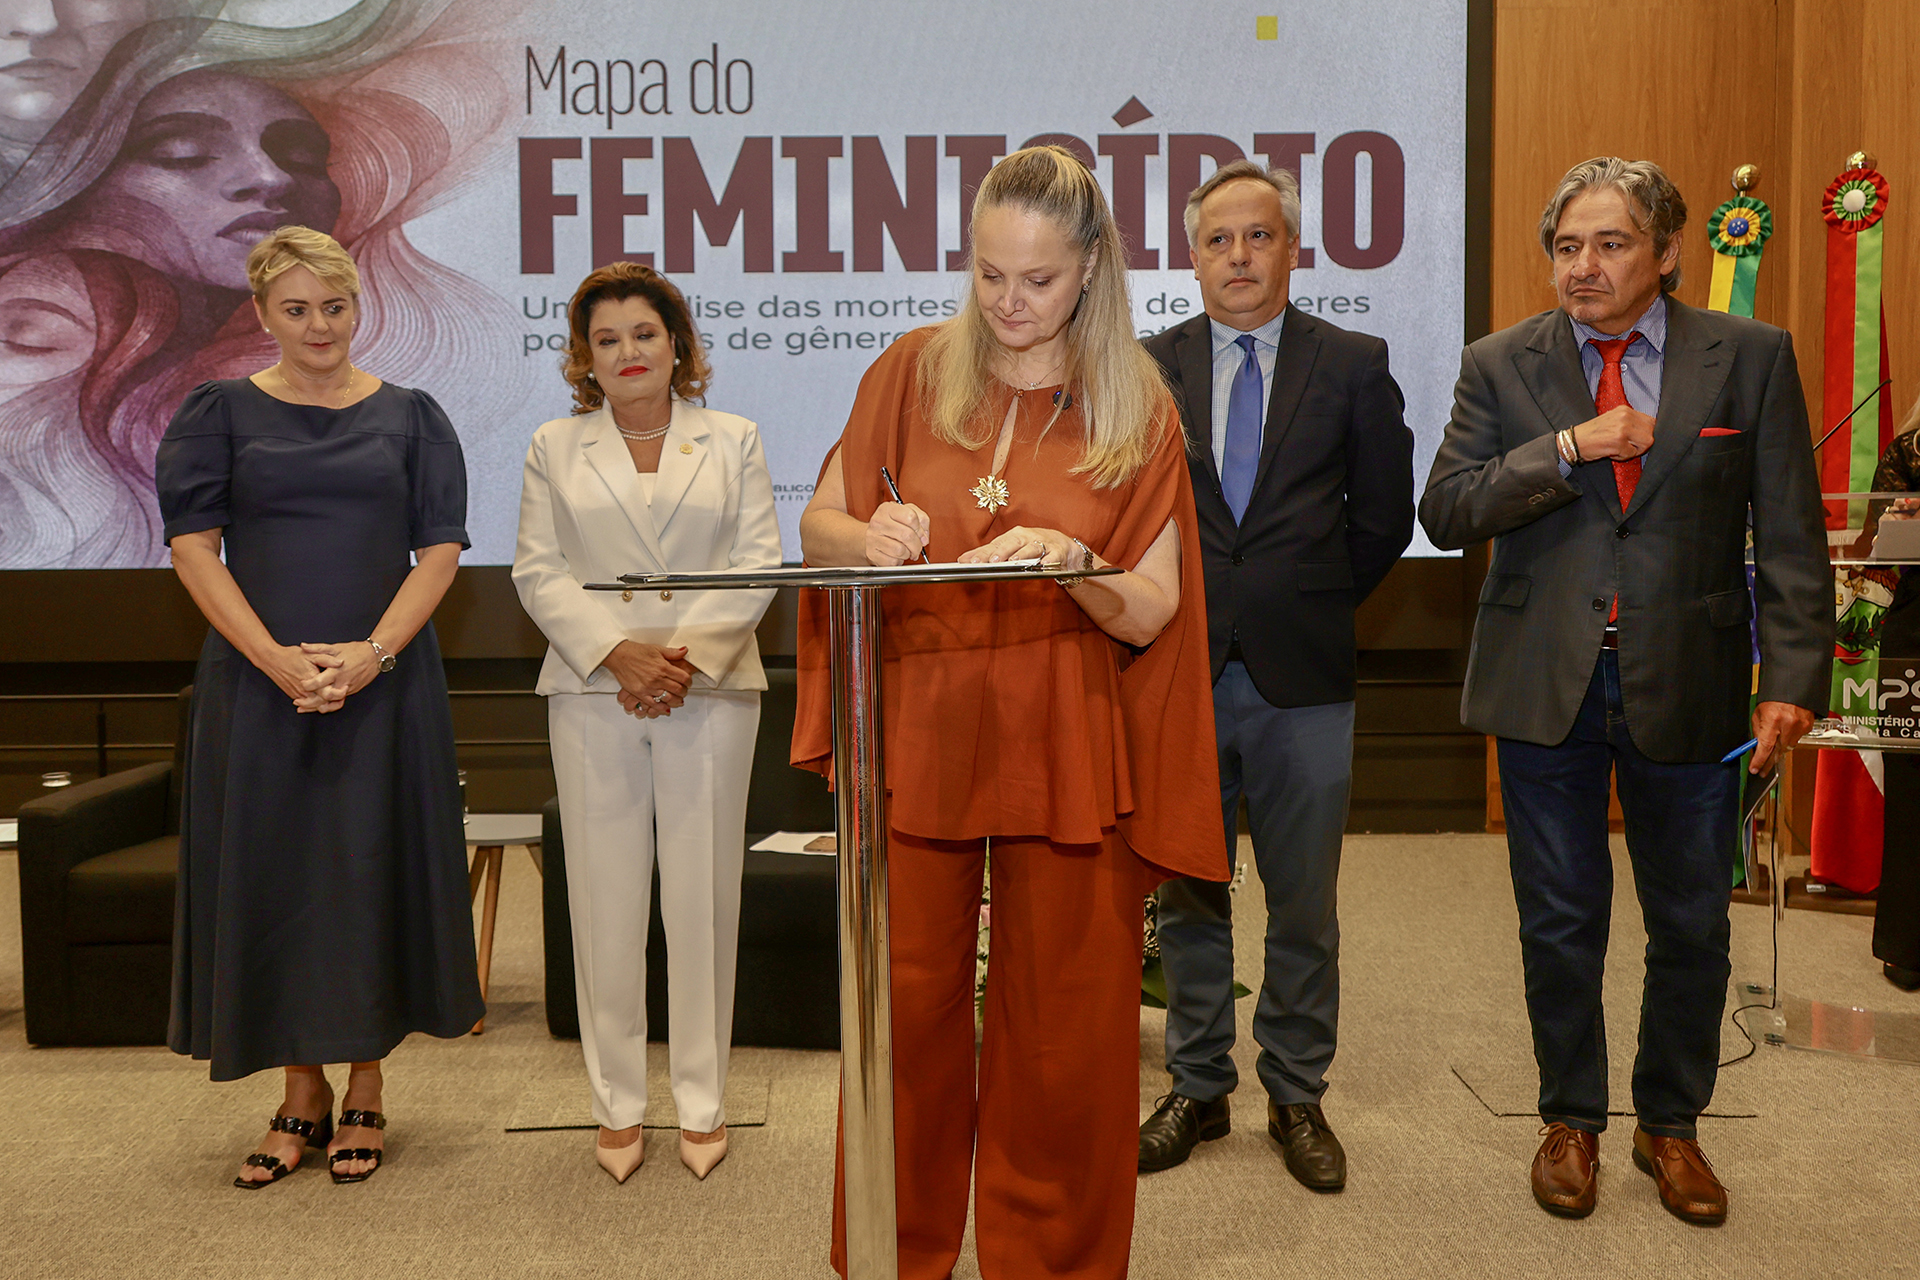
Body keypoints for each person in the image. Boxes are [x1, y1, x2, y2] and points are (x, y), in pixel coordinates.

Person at [794, 144, 1224, 1280]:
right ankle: (902, 1250)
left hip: (1069, 742)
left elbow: (1150, 613)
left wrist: (1078, 559)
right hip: (921, 732)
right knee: (907, 1015)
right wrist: (864, 538)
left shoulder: (1141, 402)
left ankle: (1054, 1259)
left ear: (1089, 267)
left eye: (1035, 279)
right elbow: (820, 528)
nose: (1010, 303)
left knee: (1065, 1029)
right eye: (989, 275)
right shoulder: (906, 371)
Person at [1419, 157, 1831, 1225]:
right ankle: (1570, 1117)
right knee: (1560, 920)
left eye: (1608, 244)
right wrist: (1567, 446)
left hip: (1691, 679)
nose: (1583, 266)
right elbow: (1450, 510)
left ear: (1665, 254)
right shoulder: (1501, 363)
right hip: (1542, 680)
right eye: (1566, 246)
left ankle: (1671, 1121)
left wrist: (1791, 674)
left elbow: (1787, 531)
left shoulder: (1748, 356)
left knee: (1692, 920)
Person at [155, 224, 484, 1187]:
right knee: (281, 882)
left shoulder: (416, 415)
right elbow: (193, 549)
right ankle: (301, 1094)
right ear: (261, 314)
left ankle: (368, 1086)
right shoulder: (215, 412)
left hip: (384, 687)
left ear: (359, 305)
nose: (319, 326)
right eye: (295, 309)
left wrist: (371, 657)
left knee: (366, 874)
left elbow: (440, 553)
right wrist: (275, 662)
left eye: (335, 306)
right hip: (259, 691)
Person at [1137, 160, 1413, 1187]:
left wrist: (1308, 594)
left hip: (1305, 673)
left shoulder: (1351, 360)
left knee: (1304, 899)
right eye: (1218, 240)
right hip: (1178, 668)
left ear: (1290, 249)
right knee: (1189, 890)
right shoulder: (1146, 365)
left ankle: (1296, 1090)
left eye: (1257, 237)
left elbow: (1383, 515)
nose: (1238, 257)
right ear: (1192, 255)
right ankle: (1199, 1084)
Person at [512, 261, 781, 1183]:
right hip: (594, 692)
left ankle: (703, 1102)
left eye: (645, 333)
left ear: (678, 344)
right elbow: (538, 572)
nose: (628, 352)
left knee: (705, 903)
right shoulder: (556, 444)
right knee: (605, 903)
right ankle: (618, 1105)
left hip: (708, 690)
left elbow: (757, 561)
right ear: (585, 358)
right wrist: (619, 653)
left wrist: (682, 661)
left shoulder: (734, 436)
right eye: (607, 338)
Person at [1869, 401, 1920, 992]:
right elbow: (1873, 533)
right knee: (1913, 785)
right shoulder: (1910, 449)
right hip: (1916, 631)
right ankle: (1909, 943)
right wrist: (1898, 517)